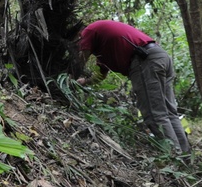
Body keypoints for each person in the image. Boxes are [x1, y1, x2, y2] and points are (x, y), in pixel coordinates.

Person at [75, 20, 191, 154]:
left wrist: (70, 75)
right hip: (159, 56)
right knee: (170, 113)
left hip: (145, 61)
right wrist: (85, 82)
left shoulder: (88, 31)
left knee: (155, 115)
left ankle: (175, 156)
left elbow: (80, 60)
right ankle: (185, 157)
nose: (78, 45)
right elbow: (101, 75)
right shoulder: (103, 46)